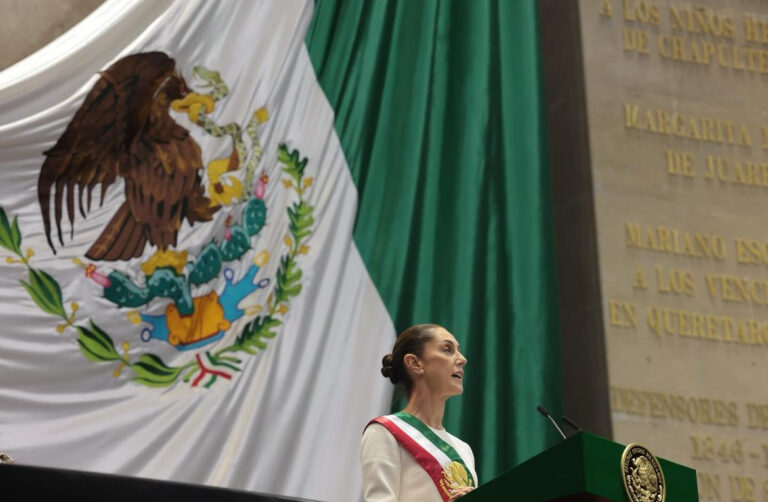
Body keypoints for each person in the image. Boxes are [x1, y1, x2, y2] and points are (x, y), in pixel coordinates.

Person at [361, 324, 477, 502]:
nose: (462, 359)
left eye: (458, 350)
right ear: (415, 363)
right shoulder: (384, 432)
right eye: (447, 349)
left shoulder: (463, 450)